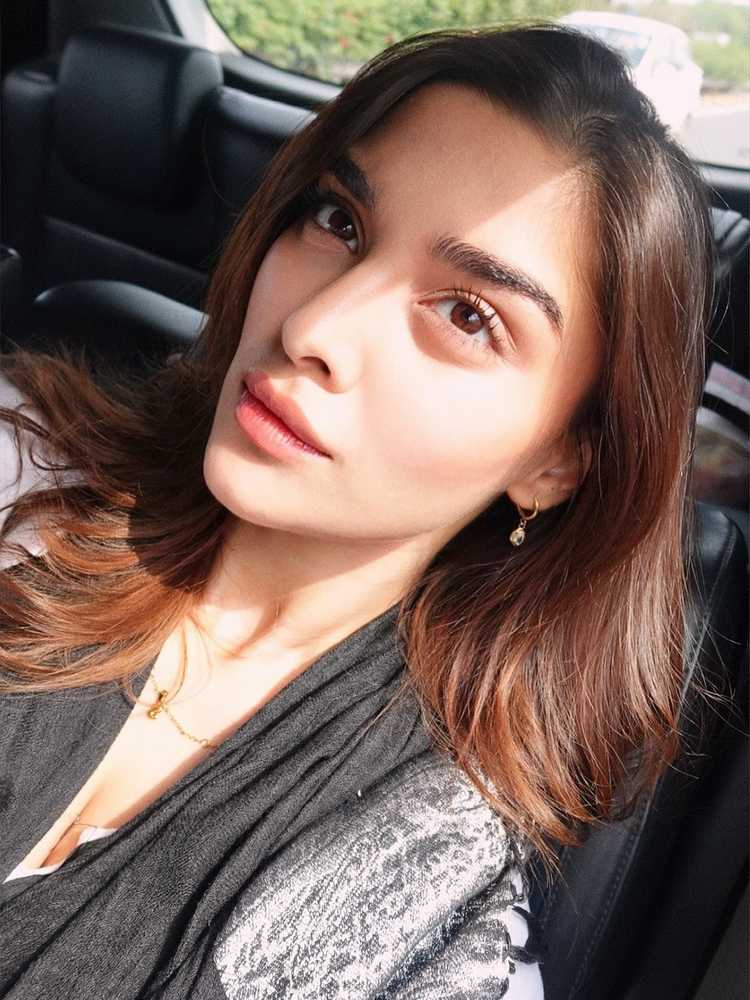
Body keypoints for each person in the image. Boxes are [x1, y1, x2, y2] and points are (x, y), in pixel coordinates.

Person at [0, 21, 712, 1000]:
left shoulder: (432, 914)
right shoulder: (25, 468)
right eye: (338, 221)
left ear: (558, 461)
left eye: (467, 315)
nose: (314, 326)